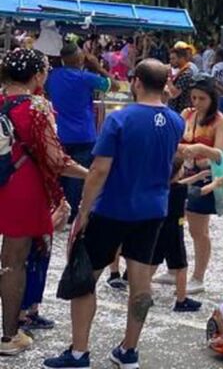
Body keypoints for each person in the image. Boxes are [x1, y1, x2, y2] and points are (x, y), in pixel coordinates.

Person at [43, 59, 185, 369]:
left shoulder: (119, 120)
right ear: (163, 85)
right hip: (152, 211)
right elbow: (173, 164)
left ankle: (79, 352)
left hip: (112, 209)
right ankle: (128, 350)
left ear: (135, 82)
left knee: (85, 278)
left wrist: (83, 212)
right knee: (140, 283)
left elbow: (98, 170)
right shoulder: (176, 122)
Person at [0, 49, 89, 356]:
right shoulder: (37, 106)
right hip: (22, 187)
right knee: (13, 262)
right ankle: (10, 336)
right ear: (37, 75)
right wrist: (91, 174)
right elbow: (56, 159)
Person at [45, 43, 115, 222]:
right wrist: (96, 66)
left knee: (59, 171)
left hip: (59, 132)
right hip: (84, 134)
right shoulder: (86, 77)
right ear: (79, 58)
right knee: (79, 176)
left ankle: (57, 209)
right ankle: (73, 215)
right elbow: (113, 85)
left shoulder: (52, 76)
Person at [178, 76, 223, 295]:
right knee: (176, 224)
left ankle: (198, 276)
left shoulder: (220, 121)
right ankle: (175, 268)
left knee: (198, 229)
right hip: (182, 174)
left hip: (205, 177)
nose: (197, 102)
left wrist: (198, 153)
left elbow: (219, 154)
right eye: (193, 98)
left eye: (202, 98)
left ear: (212, 99)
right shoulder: (187, 114)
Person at [151, 153, 220, 313]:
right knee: (181, 266)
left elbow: (181, 182)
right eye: (182, 167)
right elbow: (200, 191)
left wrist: (198, 176)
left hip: (159, 228)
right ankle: (181, 300)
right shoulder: (180, 190)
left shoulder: (162, 185)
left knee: (153, 262)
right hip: (175, 231)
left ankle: (143, 293)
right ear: (177, 172)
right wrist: (215, 183)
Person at [18, 201, 70, 332]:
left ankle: (32, 312)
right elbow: (39, 227)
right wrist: (57, 215)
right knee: (30, 277)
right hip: (32, 242)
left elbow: (55, 228)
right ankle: (21, 316)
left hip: (44, 243)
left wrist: (63, 215)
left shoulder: (50, 194)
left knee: (40, 277)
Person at [167, 47, 196, 113]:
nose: (171, 61)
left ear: (182, 59)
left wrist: (168, 78)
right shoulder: (181, 72)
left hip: (182, 111)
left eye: (173, 58)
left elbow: (174, 93)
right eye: (170, 59)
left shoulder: (186, 74)